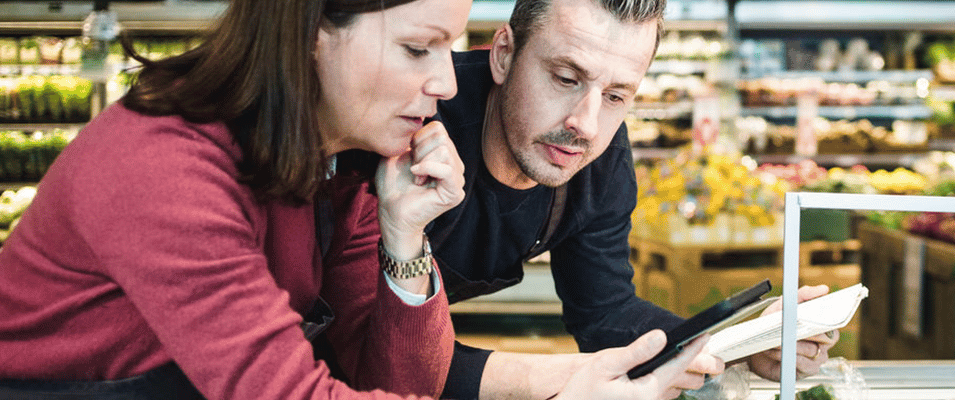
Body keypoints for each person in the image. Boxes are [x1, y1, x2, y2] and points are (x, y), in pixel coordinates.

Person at [0, 0, 707, 399]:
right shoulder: (165, 165)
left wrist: (404, 237)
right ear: (313, 36)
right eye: (417, 49)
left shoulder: (337, 169)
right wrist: (563, 390)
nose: (448, 85)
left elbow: (400, 378)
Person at [424, 0, 841, 398]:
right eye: (567, 79)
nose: (585, 125)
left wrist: (741, 343)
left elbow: (607, 315)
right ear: (503, 55)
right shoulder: (415, 118)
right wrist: (561, 377)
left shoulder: (602, 164)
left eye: (615, 96)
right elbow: (368, 345)